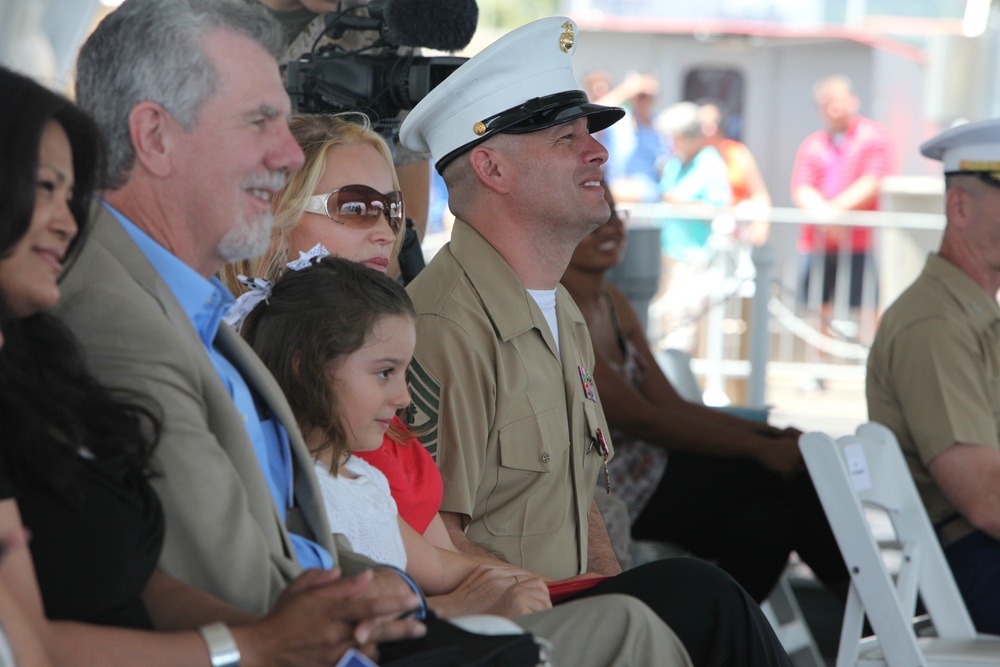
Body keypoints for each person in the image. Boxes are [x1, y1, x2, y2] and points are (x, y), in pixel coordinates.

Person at [221, 113, 700, 665]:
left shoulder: (374, 377)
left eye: (392, 209)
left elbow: (430, 550)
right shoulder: (277, 383)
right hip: (399, 636)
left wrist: (555, 586)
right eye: (355, 206)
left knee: (681, 601)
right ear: (274, 223)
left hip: (467, 607)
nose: (383, 229)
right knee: (665, 611)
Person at [0, 63, 422, 666]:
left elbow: (147, 582)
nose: (69, 220)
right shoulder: (116, 319)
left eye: (71, 194)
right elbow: (28, 647)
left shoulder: (41, 364)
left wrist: (339, 618)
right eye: (44, 188)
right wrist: (257, 645)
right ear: (157, 139)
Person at [400, 16, 792, 666]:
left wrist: (618, 601)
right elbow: (433, 533)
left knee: (705, 593)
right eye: (566, 138)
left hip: (584, 607)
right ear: (491, 166)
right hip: (513, 633)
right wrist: (611, 617)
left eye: (591, 134)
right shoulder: (446, 328)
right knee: (705, 595)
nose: (600, 153)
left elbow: (584, 501)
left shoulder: (561, 308)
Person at [562, 182, 849, 603]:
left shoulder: (613, 302)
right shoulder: (560, 306)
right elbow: (641, 419)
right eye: (593, 215)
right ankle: (867, 600)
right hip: (616, 487)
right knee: (778, 470)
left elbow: (673, 405)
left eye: (615, 212)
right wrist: (758, 448)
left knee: (771, 520)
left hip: (657, 469)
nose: (609, 225)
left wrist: (768, 434)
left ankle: (713, 639)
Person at [866, 117, 1000, 634]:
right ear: (959, 207)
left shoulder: (968, 315)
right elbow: (986, 501)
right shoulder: (936, 324)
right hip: (974, 566)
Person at [250, 0, 431, 281]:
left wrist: (359, 297)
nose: (385, 232)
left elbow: (411, 209)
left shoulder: (383, 30)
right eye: (353, 208)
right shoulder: (184, 20)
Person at [790, 75, 894, 337]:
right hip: (818, 241)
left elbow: (873, 181)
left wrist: (834, 214)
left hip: (859, 240)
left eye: (839, 101)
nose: (835, 109)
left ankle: (872, 361)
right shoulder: (813, 144)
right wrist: (825, 218)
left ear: (853, 101)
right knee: (818, 305)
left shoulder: (873, 137)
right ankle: (819, 366)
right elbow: (802, 186)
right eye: (828, 104)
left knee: (867, 304)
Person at [653, 100, 732, 352]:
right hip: (668, 251)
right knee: (666, 313)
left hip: (695, 256)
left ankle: (677, 378)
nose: (672, 142)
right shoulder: (674, 163)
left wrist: (681, 203)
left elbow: (717, 208)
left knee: (682, 316)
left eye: (675, 137)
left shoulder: (710, 162)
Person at [699, 100, 772, 245]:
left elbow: (759, 193)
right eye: (702, 124)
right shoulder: (690, 156)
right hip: (699, 234)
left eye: (714, 123)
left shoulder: (737, 153)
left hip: (734, 235)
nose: (709, 128)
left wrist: (761, 224)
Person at [595, 71, 671, 204]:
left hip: (648, 194)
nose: (644, 100)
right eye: (641, 95)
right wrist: (626, 89)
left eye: (649, 96)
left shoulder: (660, 125)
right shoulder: (619, 120)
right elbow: (593, 116)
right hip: (616, 188)